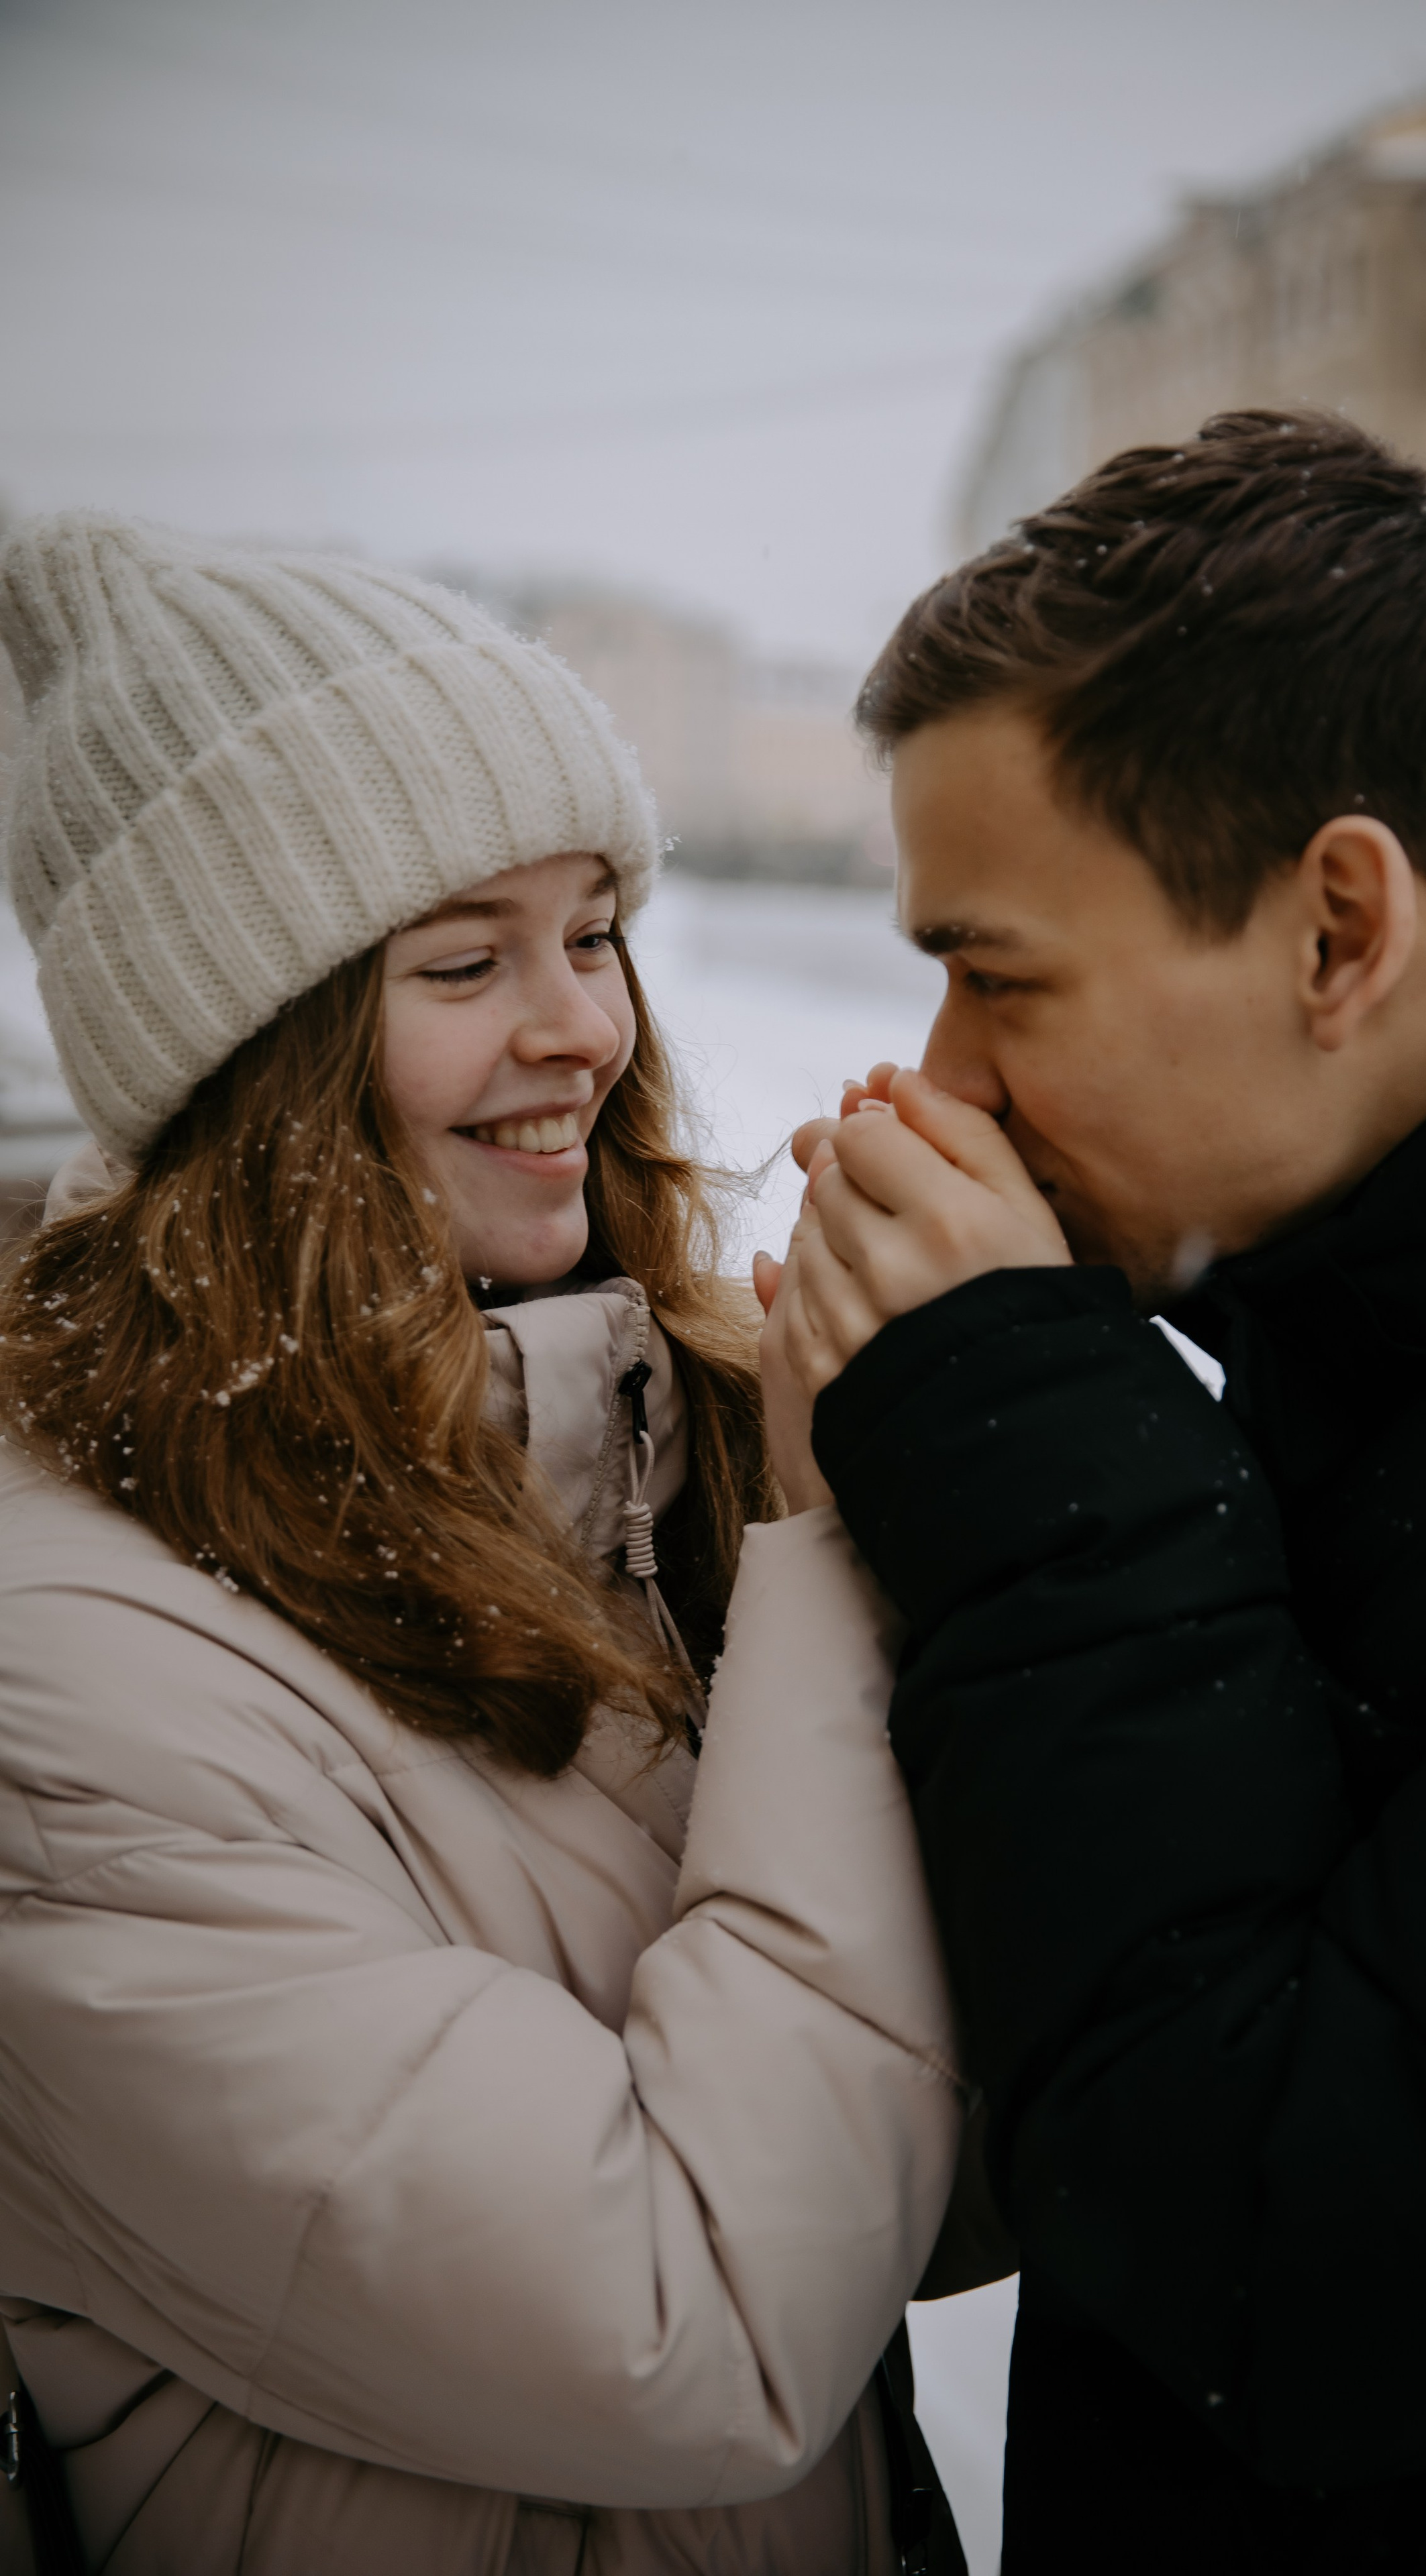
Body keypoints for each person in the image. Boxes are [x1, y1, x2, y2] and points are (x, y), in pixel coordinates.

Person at [762, 411, 1426, 2571]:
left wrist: (1024, 1453)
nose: (940, 1084)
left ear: (1336, 932)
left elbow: (1322, 2267)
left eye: (999, 973)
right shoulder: (1414, 1302)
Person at [0, 512, 993, 2576]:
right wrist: (822, 1558)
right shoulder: (65, 1694)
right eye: (464, 961)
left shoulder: (616, 1449)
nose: (584, 1031)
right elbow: (698, 2316)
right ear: (242, 1063)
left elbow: (932, 2163)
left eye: (598, 928)